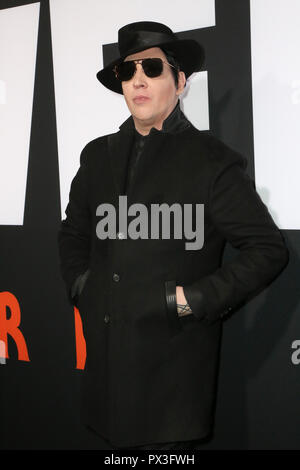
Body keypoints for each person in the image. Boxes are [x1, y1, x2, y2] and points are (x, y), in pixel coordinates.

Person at [57, 21, 289, 450]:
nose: (138, 80)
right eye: (127, 71)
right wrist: (82, 285)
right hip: (105, 373)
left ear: (180, 82)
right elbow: (72, 233)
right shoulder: (96, 156)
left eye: (151, 67)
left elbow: (268, 249)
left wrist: (189, 301)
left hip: (173, 380)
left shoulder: (212, 162)